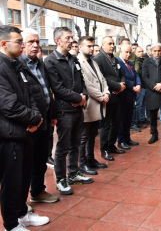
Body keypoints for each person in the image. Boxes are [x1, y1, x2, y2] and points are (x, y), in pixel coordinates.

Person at [0, 25, 49, 231]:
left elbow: (30, 96)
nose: (23, 45)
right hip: (10, 134)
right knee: (11, 182)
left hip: (26, 132)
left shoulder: (16, 65)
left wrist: (36, 117)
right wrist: (34, 118)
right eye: (19, 42)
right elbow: (8, 105)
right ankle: (11, 224)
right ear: (4, 44)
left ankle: (21, 214)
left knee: (23, 178)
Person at [44, 27, 93, 195]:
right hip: (64, 111)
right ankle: (61, 179)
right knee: (63, 147)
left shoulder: (73, 59)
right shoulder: (50, 61)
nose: (71, 40)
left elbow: (82, 81)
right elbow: (57, 87)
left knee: (76, 144)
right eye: (68, 37)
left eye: (72, 37)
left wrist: (84, 96)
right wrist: (77, 98)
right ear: (57, 40)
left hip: (78, 108)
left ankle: (74, 174)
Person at [19, 28, 59, 204]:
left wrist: (52, 114)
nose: (35, 45)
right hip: (27, 124)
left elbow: (47, 91)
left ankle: (38, 191)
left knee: (41, 159)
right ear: (21, 44)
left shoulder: (40, 63)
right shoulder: (17, 64)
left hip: (44, 121)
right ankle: (20, 203)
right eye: (31, 42)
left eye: (37, 42)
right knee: (23, 164)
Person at [77, 36, 109, 175]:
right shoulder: (79, 62)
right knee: (84, 137)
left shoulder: (93, 62)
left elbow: (102, 79)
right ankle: (82, 163)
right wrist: (101, 96)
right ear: (80, 47)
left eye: (92, 46)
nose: (91, 48)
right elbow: (87, 84)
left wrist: (106, 92)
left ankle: (91, 159)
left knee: (92, 135)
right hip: (89, 104)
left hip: (99, 103)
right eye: (88, 46)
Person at [93, 36, 126, 161]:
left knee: (116, 123)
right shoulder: (98, 59)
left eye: (113, 44)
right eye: (109, 43)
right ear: (102, 45)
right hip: (108, 96)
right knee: (105, 125)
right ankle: (104, 149)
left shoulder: (115, 59)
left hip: (118, 96)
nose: (112, 46)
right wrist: (117, 86)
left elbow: (121, 73)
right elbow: (101, 78)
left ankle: (112, 145)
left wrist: (122, 85)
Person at [143, 43, 161, 144]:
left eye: (159, 51)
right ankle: (154, 134)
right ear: (151, 52)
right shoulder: (147, 62)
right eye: (154, 51)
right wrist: (155, 86)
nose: (157, 53)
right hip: (152, 92)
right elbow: (145, 77)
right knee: (153, 115)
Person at [117, 44, 141, 150]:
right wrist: (132, 86)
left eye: (130, 52)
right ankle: (121, 140)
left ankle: (127, 138)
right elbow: (121, 78)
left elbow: (136, 75)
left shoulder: (130, 63)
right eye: (126, 52)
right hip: (123, 94)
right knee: (122, 119)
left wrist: (139, 84)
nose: (128, 54)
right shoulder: (117, 63)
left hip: (131, 95)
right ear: (120, 51)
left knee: (128, 118)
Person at [132, 46, 147, 130]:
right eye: (139, 51)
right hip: (139, 86)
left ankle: (142, 119)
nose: (141, 53)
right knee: (139, 104)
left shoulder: (144, 60)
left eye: (142, 51)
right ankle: (138, 121)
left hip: (145, 86)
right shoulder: (136, 62)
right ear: (135, 53)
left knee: (143, 104)